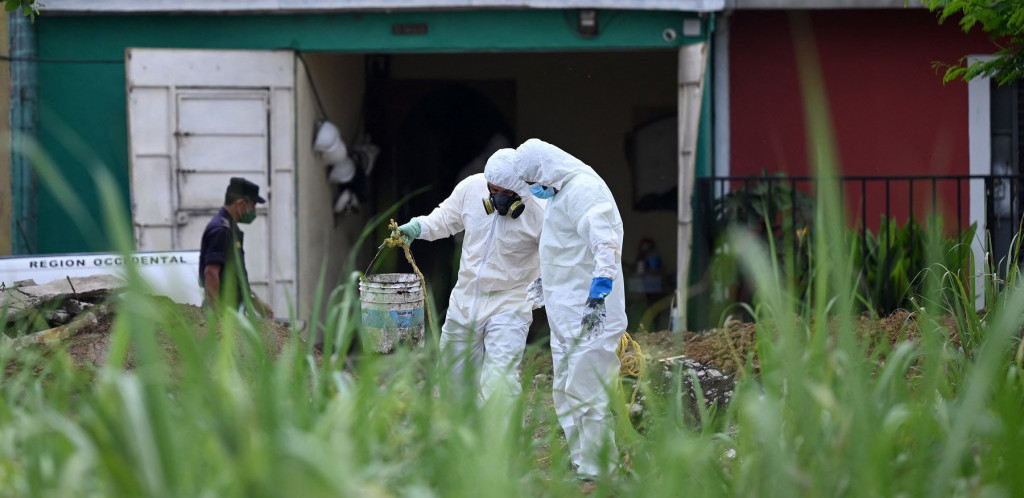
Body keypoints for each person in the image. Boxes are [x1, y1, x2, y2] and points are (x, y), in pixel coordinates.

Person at [494, 138, 626, 480]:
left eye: (533, 182)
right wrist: (544, 281)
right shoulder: (558, 192)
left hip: (590, 314)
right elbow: (562, 248)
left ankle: (601, 467)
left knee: (588, 389)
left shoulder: (584, 190)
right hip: (565, 313)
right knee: (567, 390)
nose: (533, 190)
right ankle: (583, 461)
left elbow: (604, 244)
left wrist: (599, 294)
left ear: (545, 170)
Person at [394, 148, 544, 402]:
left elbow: (555, 256)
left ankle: (501, 440)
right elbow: (445, 218)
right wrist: (419, 226)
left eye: (506, 193)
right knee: (454, 380)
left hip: (510, 302)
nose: (497, 198)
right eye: (492, 190)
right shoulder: (471, 188)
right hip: (465, 299)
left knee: (500, 381)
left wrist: (539, 293)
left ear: (521, 190)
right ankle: (458, 439)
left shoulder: (540, 210)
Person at [199, 177, 274, 318]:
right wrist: (217, 318)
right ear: (240, 203)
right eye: (252, 206)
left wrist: (256, 302)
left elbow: (235, 278)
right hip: (224, 313)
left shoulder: (231, 230)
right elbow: (211, 273)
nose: (253, 211)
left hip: (233, 313)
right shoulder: (220, 230)